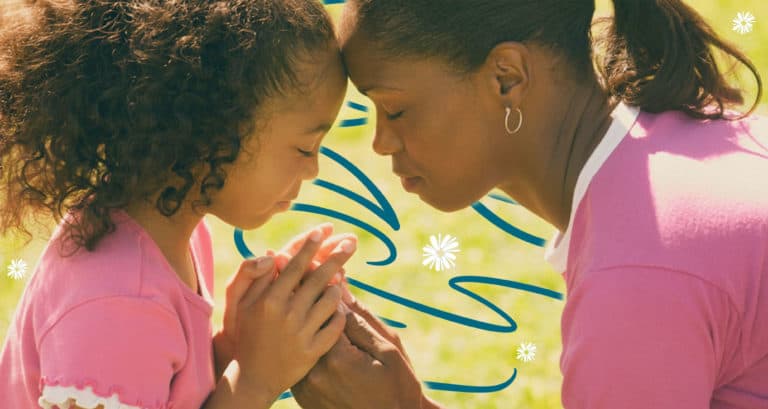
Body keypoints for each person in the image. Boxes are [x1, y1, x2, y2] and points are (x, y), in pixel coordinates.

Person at [290, 0, 768, 408]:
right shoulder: (698, 137)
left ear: (506, 77)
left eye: (394, 109)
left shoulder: (640, 270)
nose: (380, 142)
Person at [0, 1, 358, 408]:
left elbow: (164, 388)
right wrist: (256, 381)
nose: (312, 169)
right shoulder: (117, 304)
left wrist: (235, 348)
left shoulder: (167, 236)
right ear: (212, 128)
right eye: (305, 146)